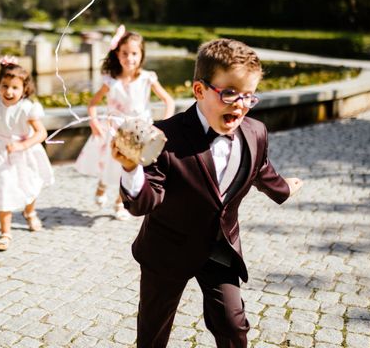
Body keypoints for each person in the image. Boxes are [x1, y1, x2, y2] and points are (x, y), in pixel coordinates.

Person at [112, 38, 303, 347]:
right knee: (153, 331)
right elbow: (145, 201)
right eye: (229, 94)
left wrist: (285, 189)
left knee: (232, 324)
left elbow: (261, 169)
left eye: (249, 97)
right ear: (199, 90)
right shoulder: (165, 137)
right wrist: (132, 169)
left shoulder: (255, 132)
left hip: (219, 246)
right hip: (168, 250)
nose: (240, 104)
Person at [75, 26, 175, 220]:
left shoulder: (148, 78)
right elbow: (92, 104)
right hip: (115, 129)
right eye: (125, 53)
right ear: (118, 54)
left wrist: (164, 124)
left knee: (130, 166)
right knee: (111, 165)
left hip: (138, 131)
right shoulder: (111, 80)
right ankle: (102, 186)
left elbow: (168, 101)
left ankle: (120, 202)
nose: (130, 58)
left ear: (141, 55)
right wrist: (94, 123)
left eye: (134, 53)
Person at [0, 56, 54, 252]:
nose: (9, 91)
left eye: (15, 87)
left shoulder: (27, 107)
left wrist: (23, 146)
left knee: (29, 186)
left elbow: (42, 133)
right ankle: (5, 233)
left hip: (23, 150)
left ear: (24, 89)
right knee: (2, 188)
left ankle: (29, 212)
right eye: (4, 86)